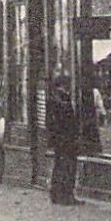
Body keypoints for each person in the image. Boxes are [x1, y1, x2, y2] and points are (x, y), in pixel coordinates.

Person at [46, 75, 81, 205]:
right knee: (67, 167)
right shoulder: (62, 99)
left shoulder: (52, 99)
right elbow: (68, 121)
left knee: (59, 166)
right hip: (67, 139)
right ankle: (66, 196)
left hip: (59, 140)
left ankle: (56, 194)